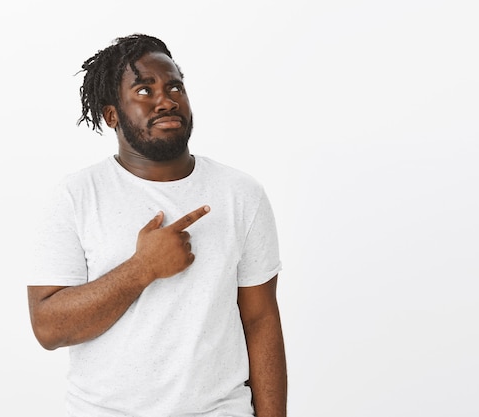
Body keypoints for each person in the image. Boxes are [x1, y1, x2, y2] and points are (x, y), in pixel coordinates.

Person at [27, 34, 287, 417]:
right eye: (144, 90)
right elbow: (48, 328)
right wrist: (142, 269)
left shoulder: (240, 193)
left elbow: (260, 319)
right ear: (112, 114)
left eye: (174, 87)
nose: (166, 100)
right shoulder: (76, 196)